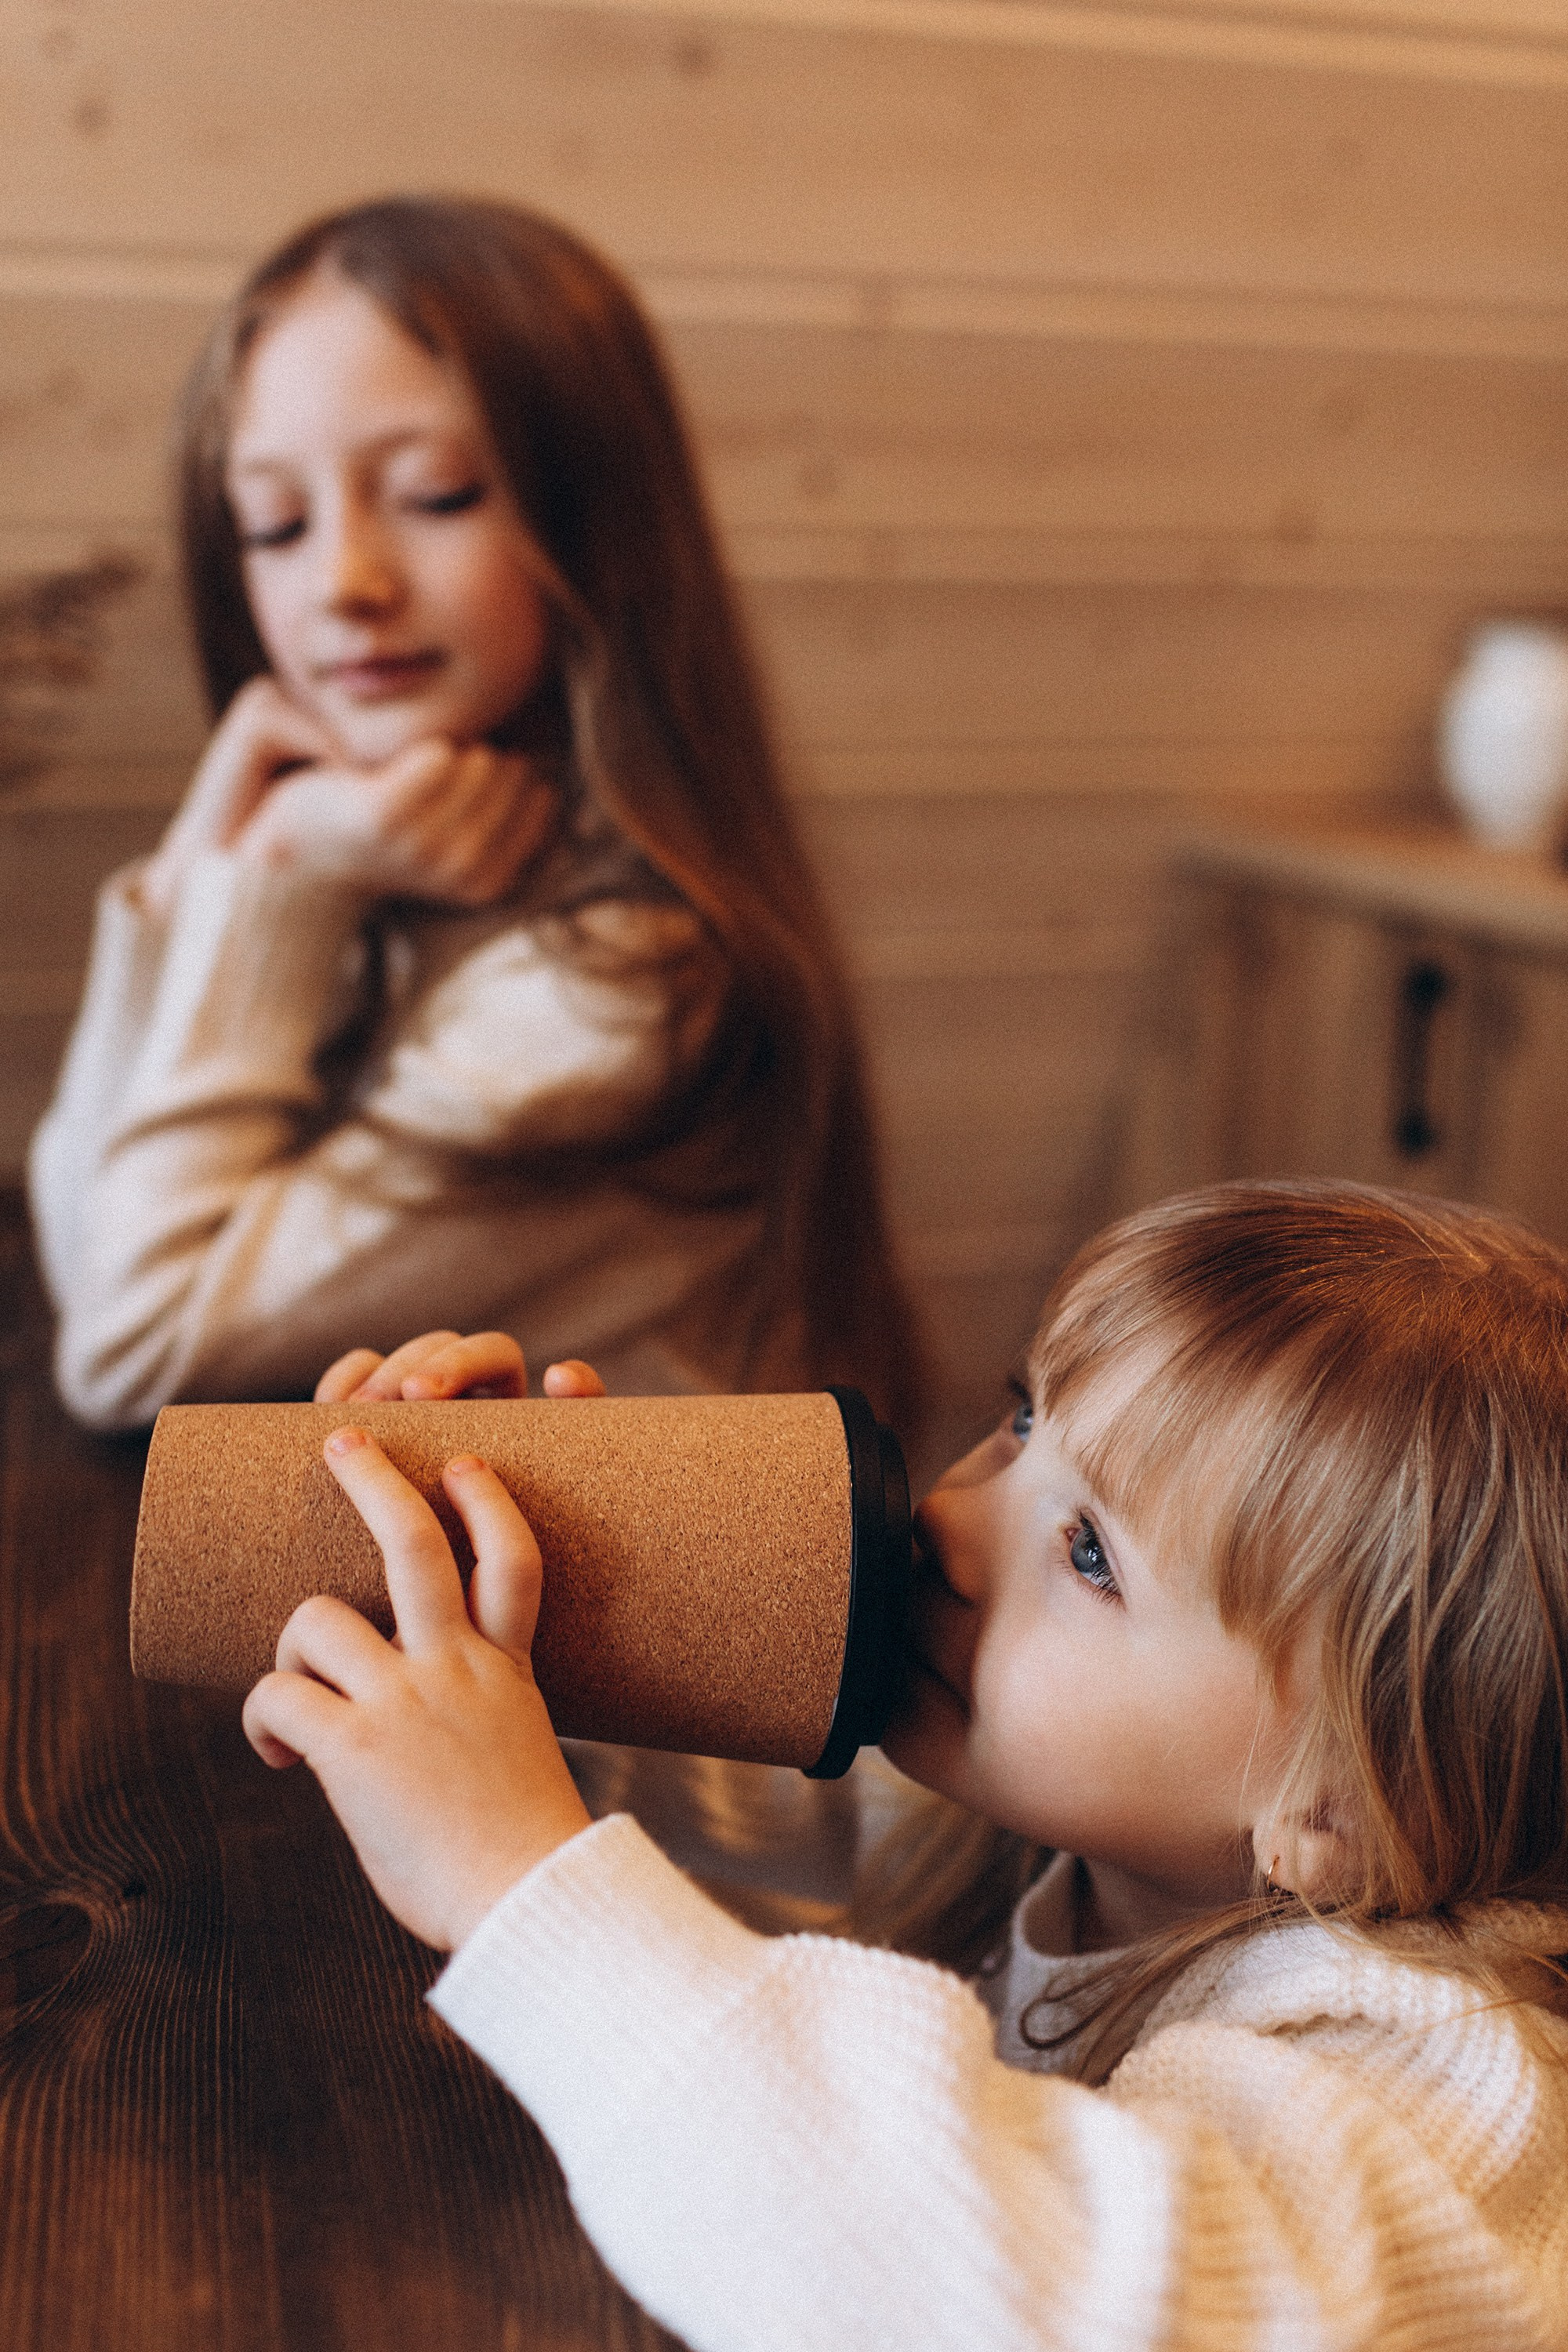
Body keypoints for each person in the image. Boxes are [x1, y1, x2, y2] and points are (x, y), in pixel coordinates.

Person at [243, 1180, 1568, 2350]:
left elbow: (1019, 2292)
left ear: (1333, 1810)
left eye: (1090, 1555)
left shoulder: (1436, 2087)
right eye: (1022, 1422)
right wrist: (537, 1613)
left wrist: (515, 1879)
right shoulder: (1070, 1825)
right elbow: (770, 1823)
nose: (950, 1516)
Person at [27, 195, 920, 1448]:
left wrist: (272, 880)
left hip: (657, 1583)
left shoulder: (625, 983)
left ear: (599, 522)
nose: (345, 580)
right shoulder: (376, 862)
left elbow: (125, 1347)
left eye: (436, 495)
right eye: (275, 524)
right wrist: (198, 865)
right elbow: (89, 1250)